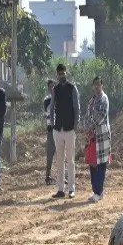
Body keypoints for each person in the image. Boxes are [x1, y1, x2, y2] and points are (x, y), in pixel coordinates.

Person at [51, 63, 80, 199]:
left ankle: (71, 189)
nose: (61, 76)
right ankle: (61, 189)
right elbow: (51, 108)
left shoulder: (72, 88)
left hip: (69, 129)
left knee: (70, 160)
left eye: (63, 73)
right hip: (58, 129)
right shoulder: (55, 89)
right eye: (59, 74)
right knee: (60, 160)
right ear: (57, 74)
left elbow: (77, 108)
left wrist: (75, 125)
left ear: (66, 73)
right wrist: (52, 124)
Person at [85, 76, 111, 203]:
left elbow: (100, 116)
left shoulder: (103, 99)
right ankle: (96, 190)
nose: (96, 86)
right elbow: (87, 116)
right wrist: (87, 128)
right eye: (95, 84)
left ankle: (98, 191)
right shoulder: (91, 100)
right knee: (92, 164)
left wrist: (90, 127)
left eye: (99, 84)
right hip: (92, 137)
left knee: (100, 165)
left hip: (101, 136)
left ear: (102, 85)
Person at [42, 78, 56, 184]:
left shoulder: (60, 98)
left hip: (59, 129)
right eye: (50, 86)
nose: (52, 88)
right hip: (51, 129)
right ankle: (48, 176)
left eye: (53, 86)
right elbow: (48, 110)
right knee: (50, 154)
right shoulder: (47, 99)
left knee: (61, 154)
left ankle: (62, 176)